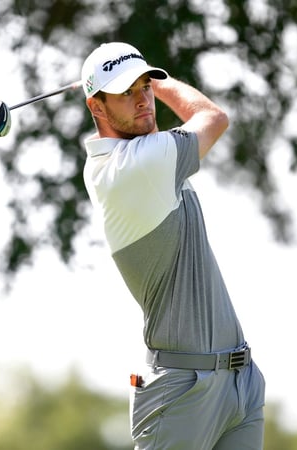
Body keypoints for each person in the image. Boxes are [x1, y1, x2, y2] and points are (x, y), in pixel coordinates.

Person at [80, 42, 265, 448]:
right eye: (125, 93)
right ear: (96, 107)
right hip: (182, 389)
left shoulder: (146, 155)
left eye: (145, 87)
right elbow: (212, 118)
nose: (142, 100)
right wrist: (163, 85)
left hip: (240, 379)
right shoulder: (136, 165)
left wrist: (139, 78)